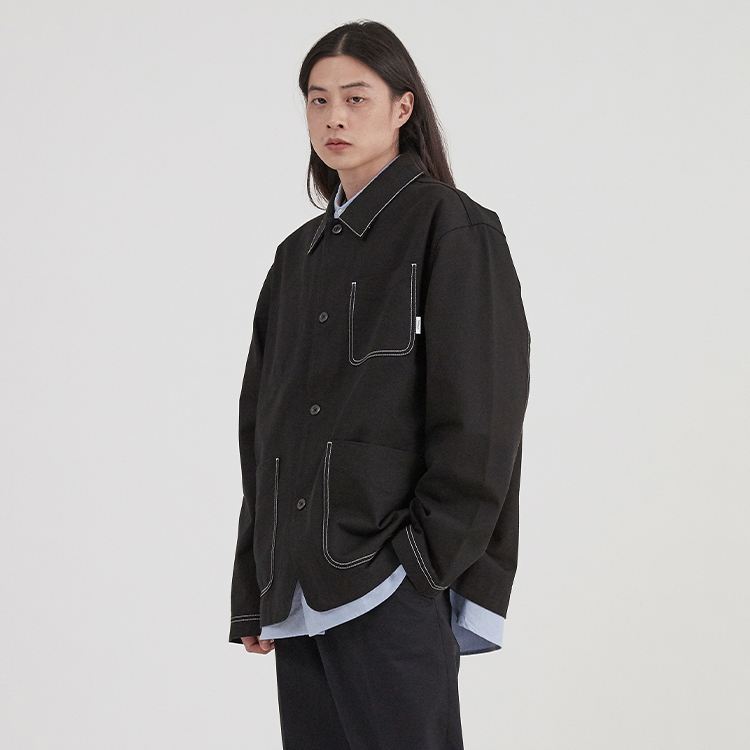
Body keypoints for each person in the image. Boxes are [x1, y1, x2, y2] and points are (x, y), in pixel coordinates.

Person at [229, 19, 531, 750]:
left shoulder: (452, 227)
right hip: (299, 589)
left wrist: (421, 565)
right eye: (318, 99)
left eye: (356, 97)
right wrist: (255, 586)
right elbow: (264, 428)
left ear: (403, 108)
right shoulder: (294, 259)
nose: (334, 117)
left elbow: (483, 417)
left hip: (391, 581)